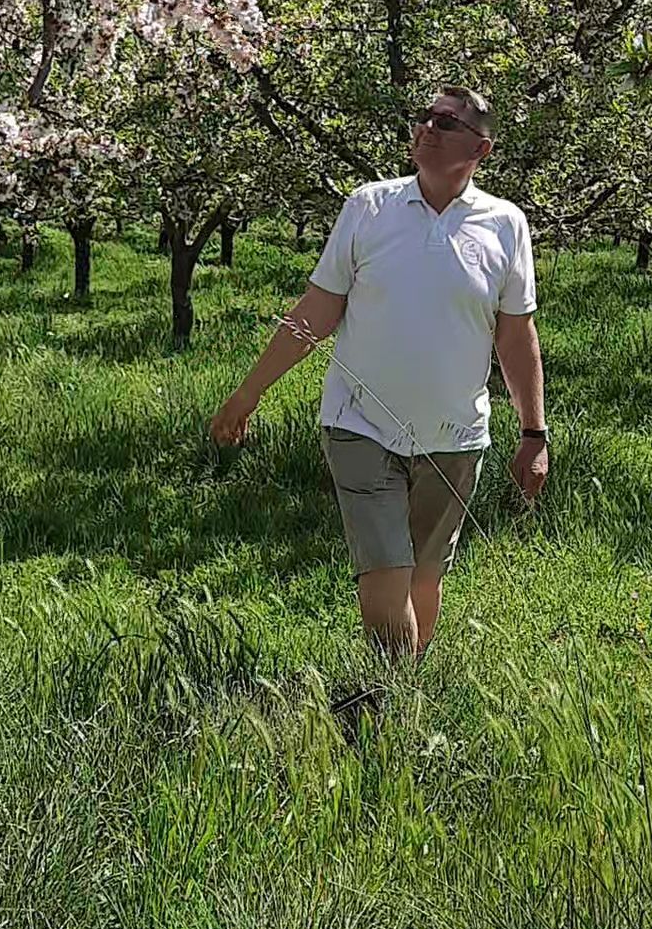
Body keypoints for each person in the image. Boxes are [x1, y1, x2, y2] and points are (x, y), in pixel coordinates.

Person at [209, 87, 548, 662]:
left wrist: (533, 434)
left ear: (481, 148)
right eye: (426, 116)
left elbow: (515, 336)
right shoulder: (368, 207)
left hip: (454, 435)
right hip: (358, 425)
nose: (429, 127)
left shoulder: (505, 226)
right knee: (385, 579)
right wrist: (247, 395)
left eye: (448, 121)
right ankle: (390, 705)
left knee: (423, 578)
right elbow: (316, 311)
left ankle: (404, 702)